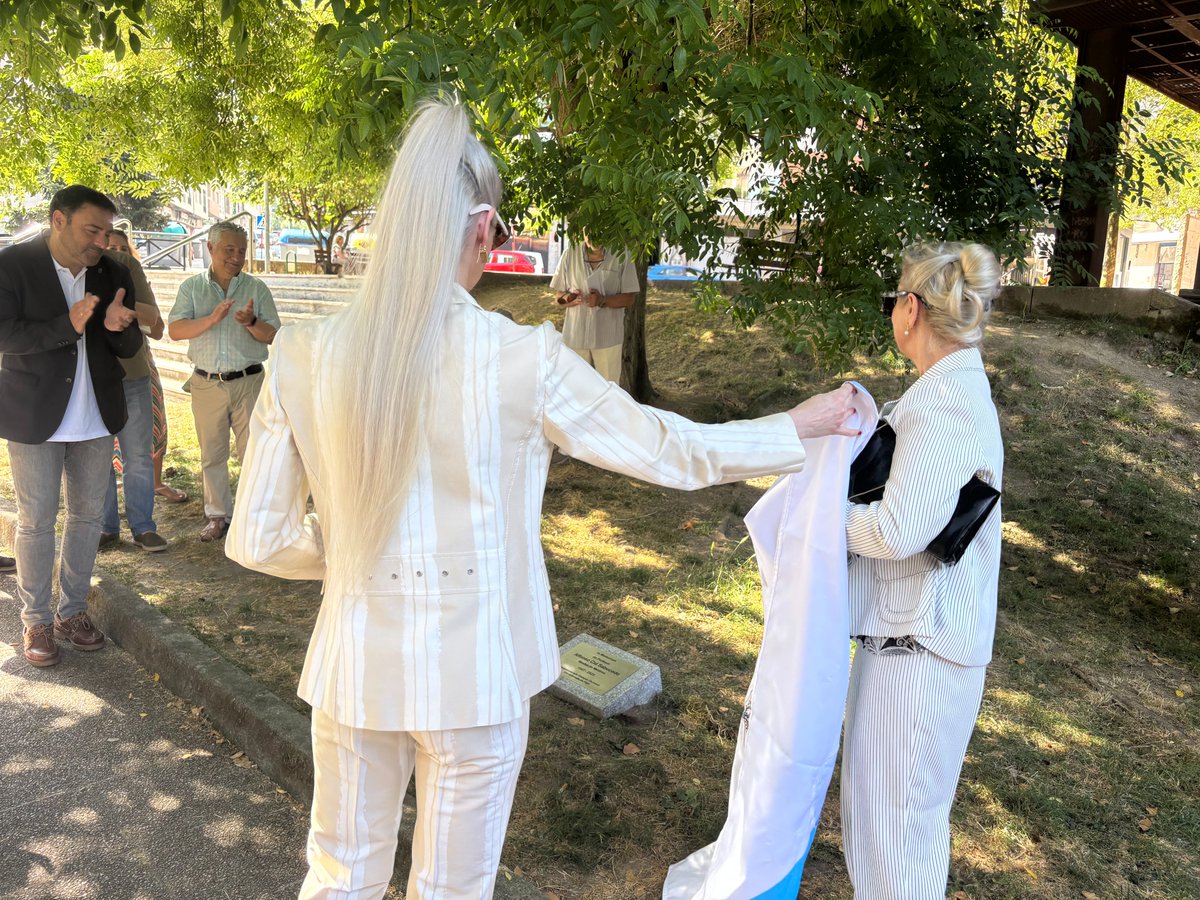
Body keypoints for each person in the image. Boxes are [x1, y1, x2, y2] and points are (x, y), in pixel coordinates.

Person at [225, 98, 858, 900]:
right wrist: (793, 428)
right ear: (485, 228)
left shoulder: (304, 354)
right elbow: (668, 448)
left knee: (338, 877)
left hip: (353, 664)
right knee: (453, 889)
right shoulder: (522, 357)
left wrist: (350, 552)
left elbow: (258, 537)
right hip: (481, 673)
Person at [840, 242, 1004, 899]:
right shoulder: (946, 391)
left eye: (892, 303)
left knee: (896, 849)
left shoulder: (944, 404)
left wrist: (814, 520)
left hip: (919, 655)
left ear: (910, 309)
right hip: (910, 643)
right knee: (893, 840)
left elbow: (899, 530)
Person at [0, 185, 143, 667]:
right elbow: (5, 334)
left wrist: (120, 328)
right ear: (58, 221)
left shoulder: (111, 272)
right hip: (35, 415)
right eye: (92, 230)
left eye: (106, 231)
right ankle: (36, 620)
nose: (101, 241)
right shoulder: (14, 265)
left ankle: (72, 611)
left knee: (86, 518)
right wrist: (69, 324)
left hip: (96, 416)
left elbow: (128, 349)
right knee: (37, 521)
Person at [168, 222, 279, 543]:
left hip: (249, 382)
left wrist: (252, 322)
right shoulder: (192, 288)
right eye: (229, 250)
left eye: (241, 251)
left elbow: (272, 335)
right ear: (211, 248)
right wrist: (211, 320)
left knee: (254, 452)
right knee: (212, 454)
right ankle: (218, 517)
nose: (236, 257)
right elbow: (176, 330)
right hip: (207, 383)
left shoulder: (256, 289)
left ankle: (253, 516)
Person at [99, 232, 169, 551]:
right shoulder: (70, 267)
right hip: (93, 378)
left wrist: (118, 303)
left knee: (138, 456)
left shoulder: (127, 266)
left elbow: (154, 321)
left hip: (134, 374)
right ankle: (106, 527)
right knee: (97, 456)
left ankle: (143, 527)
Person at [107, 229, 187, 504]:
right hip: (105, 370)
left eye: (123, 249)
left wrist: (133, 307)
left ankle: (154, 483)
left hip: (140, 363)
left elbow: (158, 329)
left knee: (154, 425)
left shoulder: (137, 282)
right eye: (111, 247)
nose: (117, 253)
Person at [549, 235, 639, 383]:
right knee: (574, 388)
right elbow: (558, 297)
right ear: (583, 230)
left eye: (600, 230)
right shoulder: (570, 253)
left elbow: (630, 298)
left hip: (607, 339)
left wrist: (603, 300)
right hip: (575, 336)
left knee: (609, 391)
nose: (595, 235)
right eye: (589, 229)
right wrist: (569, 298)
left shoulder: (622, 254)